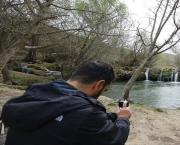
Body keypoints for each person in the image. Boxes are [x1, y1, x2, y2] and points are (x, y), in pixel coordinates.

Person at [1, 60, 132, 145]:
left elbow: (62, 115)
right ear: (99, 85)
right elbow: (116, 138)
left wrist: (114, 116)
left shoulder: (36, 93)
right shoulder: (87, 113)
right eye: (105, 90)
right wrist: (123, 118)